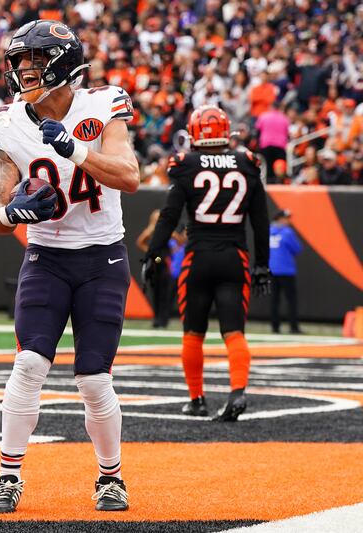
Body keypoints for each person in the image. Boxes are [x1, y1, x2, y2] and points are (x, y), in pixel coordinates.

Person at [0, 20, 140, 513]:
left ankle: (110, 477)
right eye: (20, 62)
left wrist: (73, 148)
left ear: (65, 62)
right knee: (28, 365)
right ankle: (9, 475)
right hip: (46, 257)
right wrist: (12, 213)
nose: (24, 71)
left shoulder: (102, 105)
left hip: (102, 256)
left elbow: (130, 176)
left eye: (35, 60)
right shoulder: (7, 123)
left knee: (94, 378)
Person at [142, 105, 271, 422]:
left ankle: (197, 398)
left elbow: (169, 215)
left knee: (192, 333)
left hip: (198, 257)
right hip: (234, 256)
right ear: (227, 133)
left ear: (195, 133)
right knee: (234, 332)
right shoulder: (247, 163)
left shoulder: (186, 164)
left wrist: (152, 254)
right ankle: (237, 392)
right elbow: (261, 221)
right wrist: (262, 265)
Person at [136, 209, 171, 328]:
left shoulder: (166, 229)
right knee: (155, 291)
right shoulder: (150, 230)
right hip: (155, 263)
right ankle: (157, 319)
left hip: (164, 263)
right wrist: (151, 253)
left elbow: (179, 240)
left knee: (164, 292)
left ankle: (164, 320)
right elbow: (140, 242)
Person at [269, 209, 303, 334]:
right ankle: (293, 327)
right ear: (280, 219)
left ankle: (275, 327)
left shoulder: (268, 231)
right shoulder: (287, 232)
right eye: (286, 218)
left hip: (272, 269)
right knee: (291, 300)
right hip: (286, 270)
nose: (288, 221)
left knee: (274, 300)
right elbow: (297, 249)